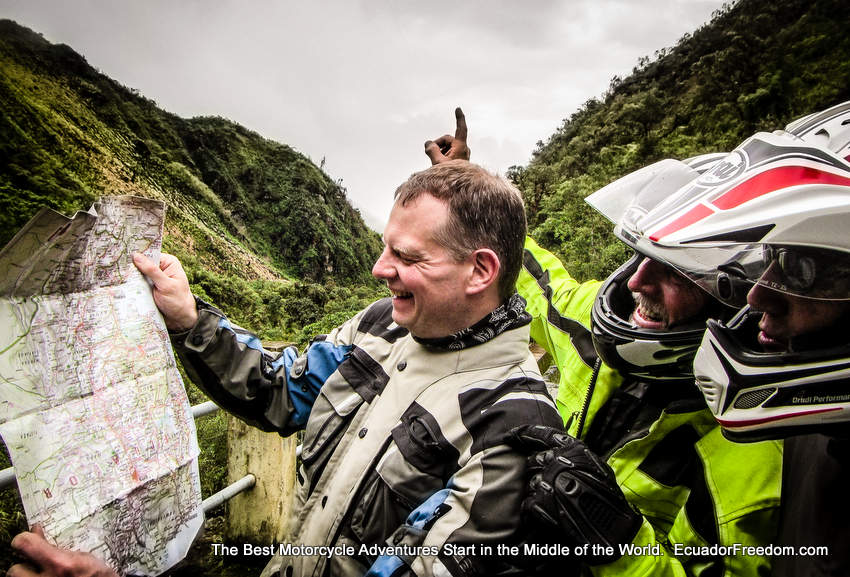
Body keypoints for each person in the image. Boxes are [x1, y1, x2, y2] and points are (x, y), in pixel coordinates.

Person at [8, 160, 564, 577]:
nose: (379, 269)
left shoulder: (511, 427)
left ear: (480, 271)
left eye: (408, 257)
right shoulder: (382, 326)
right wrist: (188, 319)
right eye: (384, 248)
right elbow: (281, 391)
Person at [427, 109, 783, 576]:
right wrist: (461, 182)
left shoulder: (753, 446)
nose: (638, 281)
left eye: (675, 271)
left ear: (737, 298)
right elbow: (528, 276)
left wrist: (619, 543)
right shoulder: (598, 320)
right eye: (641, 253)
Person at [642, 100, 850, 576]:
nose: (756, 297)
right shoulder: (807, 427)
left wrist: (614, 543)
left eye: (804, 268)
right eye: (772, 257)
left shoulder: (763, 456)